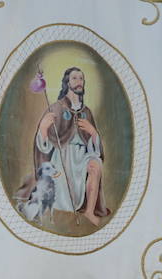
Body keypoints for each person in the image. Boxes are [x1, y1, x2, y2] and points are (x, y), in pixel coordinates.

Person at [31, 65, 108, 228]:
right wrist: (43, 128)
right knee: (61, 198)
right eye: (74, 78)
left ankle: (89, 211)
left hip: (83, 156)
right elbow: (44, 148)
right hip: (62, 157)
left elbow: (95, 149)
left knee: (96, 164)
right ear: (67, 82)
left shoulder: (87, 112)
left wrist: (94, 133)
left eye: (81, 78)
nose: (79, 81)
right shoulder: (57, 108)